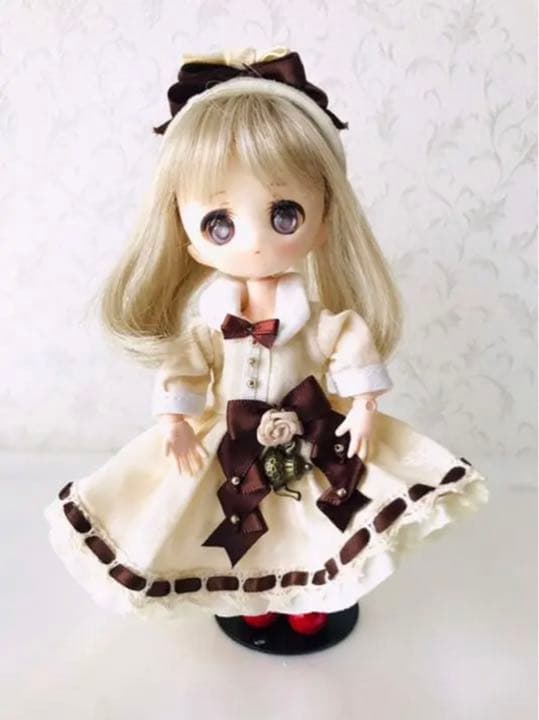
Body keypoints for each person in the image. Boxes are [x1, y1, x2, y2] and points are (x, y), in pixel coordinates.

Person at [44, 47, 488, 637]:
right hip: (231, 445)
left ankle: (310, 599)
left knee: (310, 522)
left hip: (315, 440)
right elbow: (185, 367)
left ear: (324, 219)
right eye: (220, 223)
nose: (252, 241)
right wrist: (175, 422)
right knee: (229, 519)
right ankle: (255, 598)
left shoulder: (318, 319)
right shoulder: (212, 324)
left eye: (284, 214)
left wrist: (363, 405)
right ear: (188, 239)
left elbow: (348, 345)